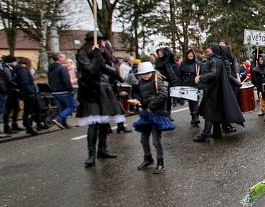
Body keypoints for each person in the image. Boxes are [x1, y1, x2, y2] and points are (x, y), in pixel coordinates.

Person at [75, 32, 125, 167]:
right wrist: (97, 56)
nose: (103, 43)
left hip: (104, 90)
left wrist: (118, 76)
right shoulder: (82, 53)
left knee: (104, 122)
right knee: (94, 123)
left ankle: (102, 149)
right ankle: (91, 154)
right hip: (91, 91)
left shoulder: (99, 53)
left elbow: (104, 67)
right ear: (93, 41)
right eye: (101, 41)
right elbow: (90, 70)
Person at [193, 45, 244, 142]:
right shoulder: (216, 60)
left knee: (209, 112)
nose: (207, 49)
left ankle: (205, 134)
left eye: (209, 48)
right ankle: (217, 133)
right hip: (215, 90)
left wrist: (200, 78)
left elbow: (213, 73)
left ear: (213, 50)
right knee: (214, 112)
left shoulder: (215, 60)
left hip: (213, 90)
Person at [132, 61, 175, 174]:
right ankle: (148, 159)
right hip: (147, 113)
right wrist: (139, 102)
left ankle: (160, 163)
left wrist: (150, 105)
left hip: (158, 113)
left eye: (147, 73)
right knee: (143, 139)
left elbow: (164, 95)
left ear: (151, 71)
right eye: (142, 74)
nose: (145, 75)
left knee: (156, 141)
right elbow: (143, 97)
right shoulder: (140, 82)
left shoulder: (158, 80)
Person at [48, 53, 76, 129]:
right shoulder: (62, 68)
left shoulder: (51, 68)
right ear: (59, 58)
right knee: (72, 106)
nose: (65, 59)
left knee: (62, 107)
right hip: (64, 90)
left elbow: (49, 80)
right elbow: (66, 80)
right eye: (64, 57)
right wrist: (70, 89)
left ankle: (64, 124)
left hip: (55, 91)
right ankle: (58, 119)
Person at [14, 56, 40, 135]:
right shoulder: (24, 71)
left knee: (28, 110)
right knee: (29, 110)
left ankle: (29, 125)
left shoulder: (17, 70)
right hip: (28, 93)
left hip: (23, 93)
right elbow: (25, 83)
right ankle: (28, 126)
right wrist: (32, 92)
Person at [179, 49, 201, 126]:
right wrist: (180, 84)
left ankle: (196, 117)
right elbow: (180, 74)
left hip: (194, 83)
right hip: (186, 84)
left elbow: (202, 73)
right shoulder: (183, 63)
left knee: (195, 100)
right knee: (190, 101)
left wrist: (199, 78)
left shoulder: (197, 63)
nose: (190, 55)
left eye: (192, 53)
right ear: (187, 55)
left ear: (194, 55)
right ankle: (193, 116)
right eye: (189, 53)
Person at [1, 55, 22, 134]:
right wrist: (18, 85)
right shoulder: (6, 69)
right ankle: (7, 127)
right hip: (10, 92)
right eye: (15, 61)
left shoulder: (9, 68)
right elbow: (9, 80)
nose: (16, 63)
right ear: (11, 62)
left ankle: (14, 124)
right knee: (8, 110)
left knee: (16, 109)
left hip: (13, 91)